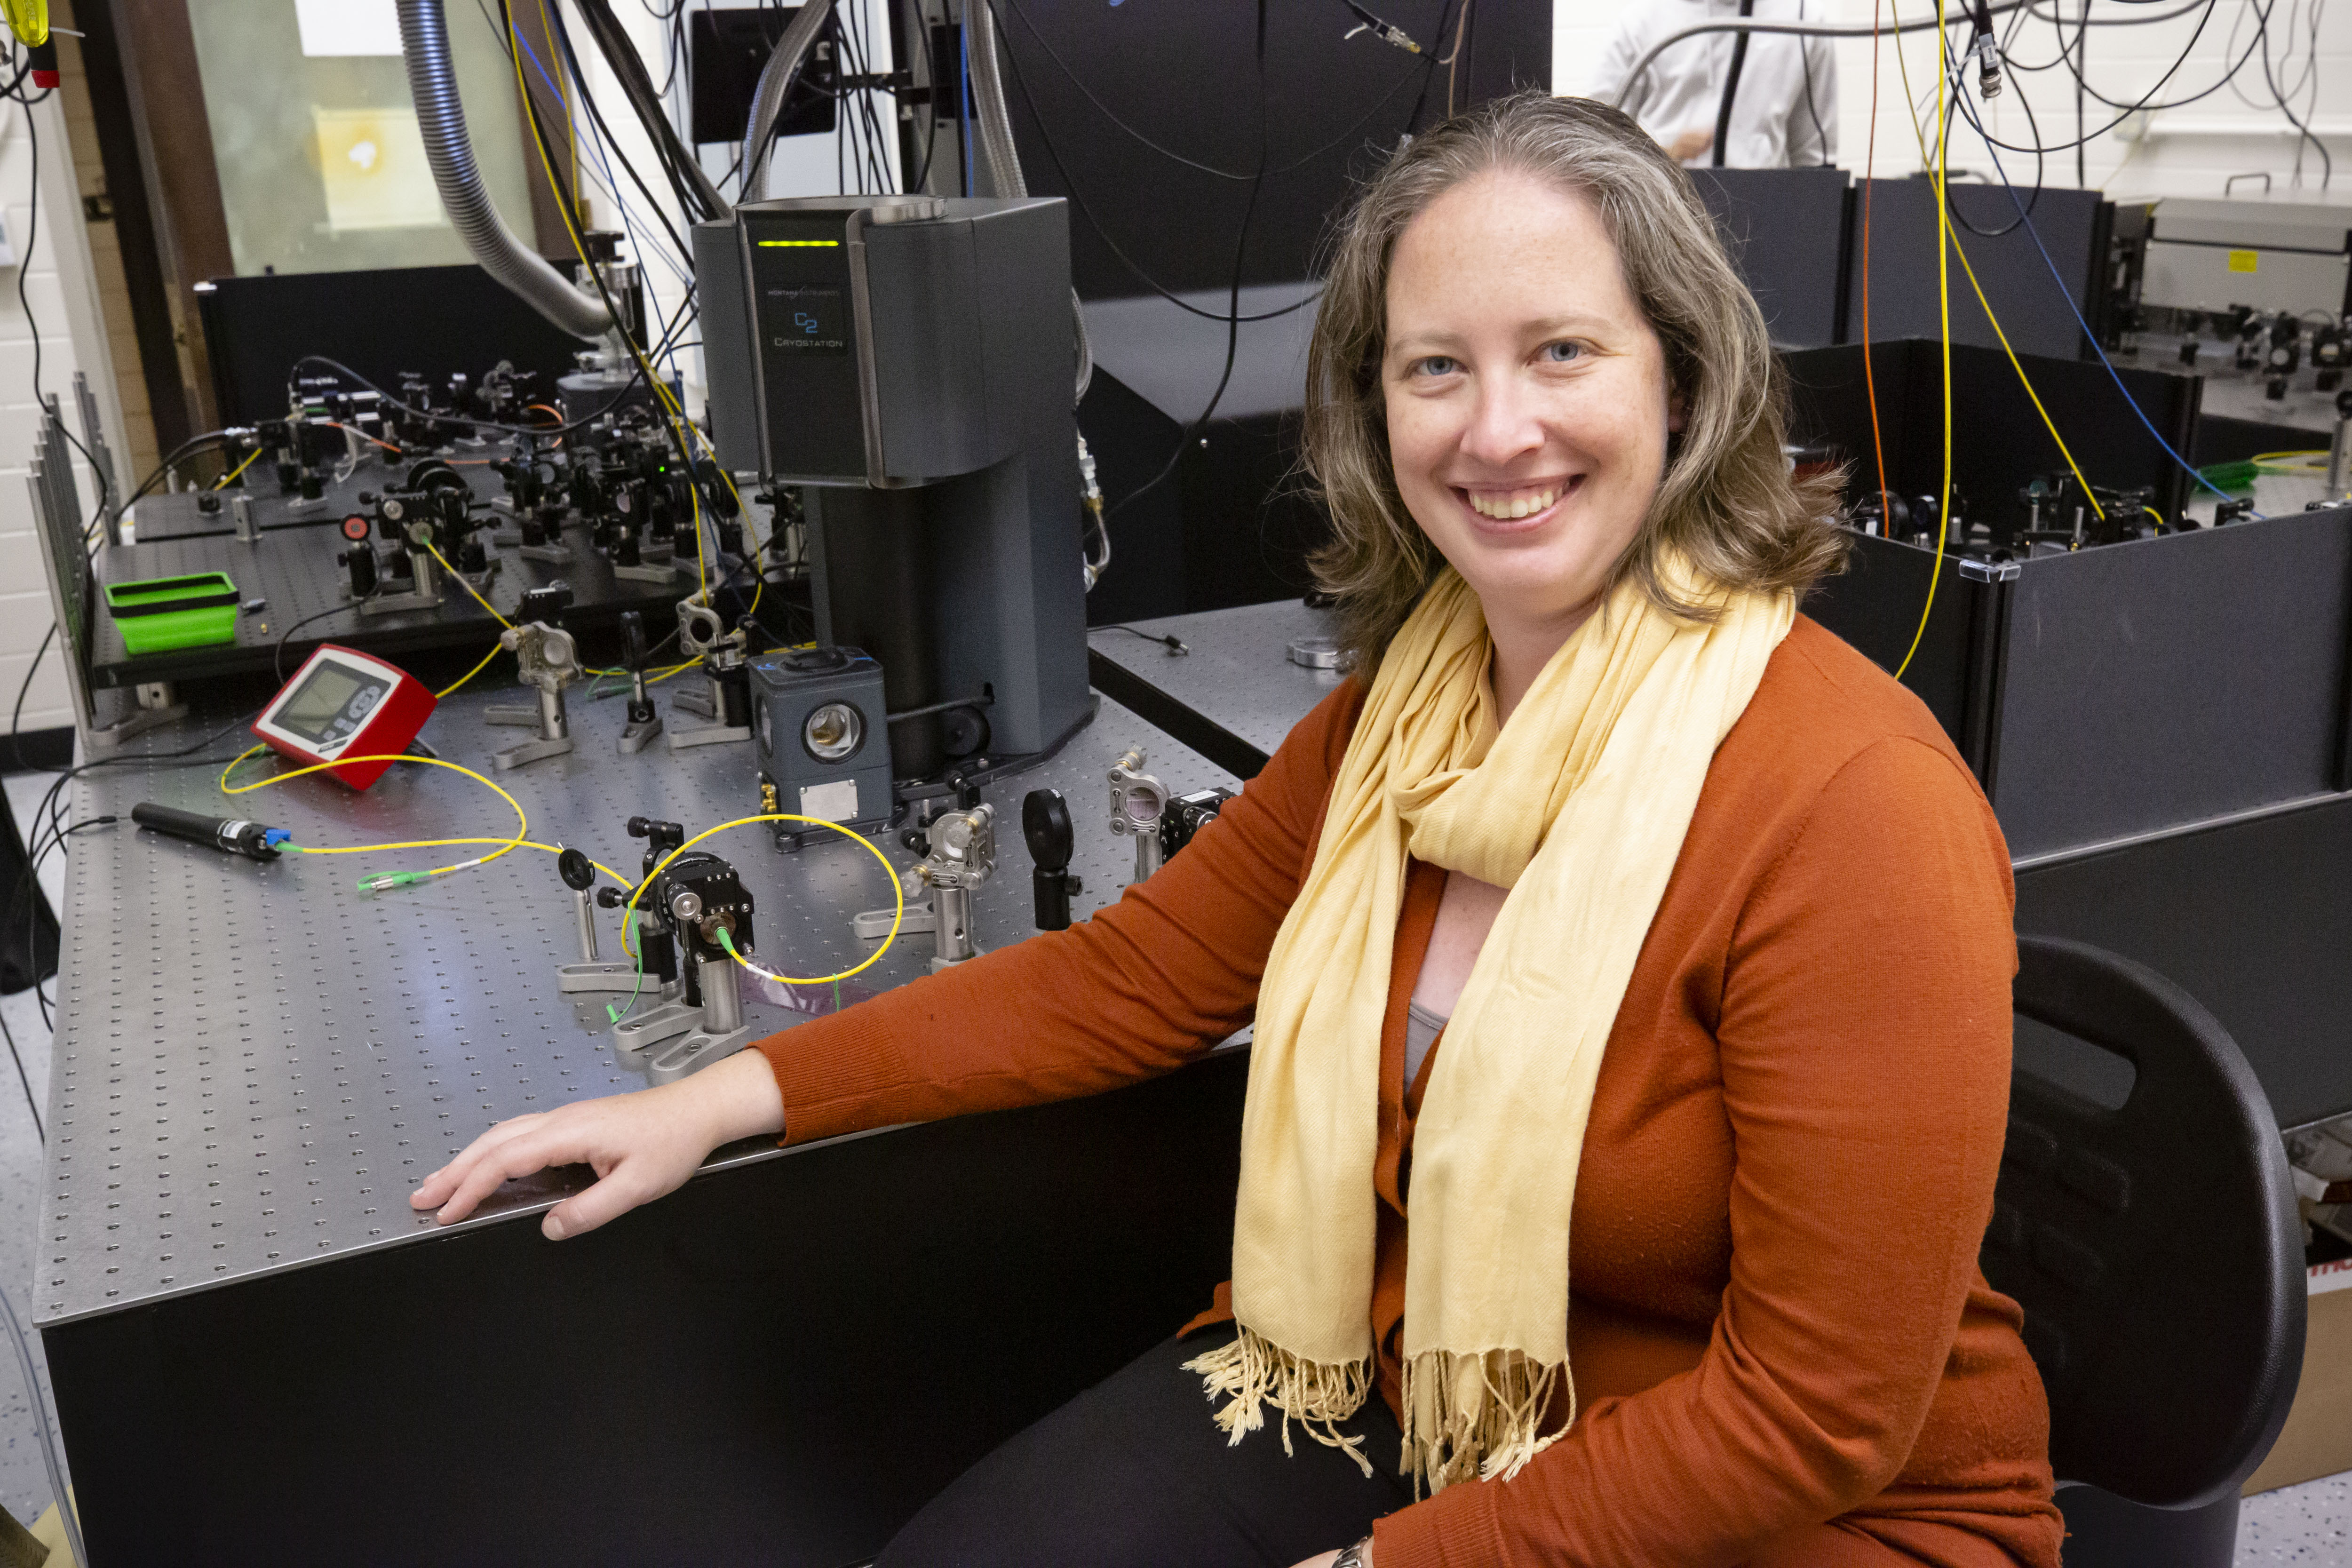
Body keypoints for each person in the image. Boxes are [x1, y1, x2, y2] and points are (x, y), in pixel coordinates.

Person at [415, 93, 2061, 1568]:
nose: (1497, 432)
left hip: (1810, 1510)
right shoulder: (1405, 724)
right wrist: (730, 1093)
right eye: (1438, 367)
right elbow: (1128, 976)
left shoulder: (1855, 805)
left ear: (1685, 378)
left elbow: (1820, 1410)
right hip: (1408, 1372)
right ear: (1374, 409)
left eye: (1563, 351)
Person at [1591, 0, 1838, 169]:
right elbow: (1595, 146)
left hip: (1764, 207)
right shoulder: (1642, 20)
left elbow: (1814, 158)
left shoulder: (1802, 21)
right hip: (1662, 211)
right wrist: (1668, 154)